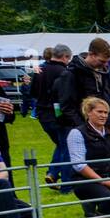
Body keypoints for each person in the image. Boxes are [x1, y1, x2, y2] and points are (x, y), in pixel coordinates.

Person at [57, 37, 110, 131]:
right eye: (102, 61)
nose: (105, 64)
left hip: (105, 129)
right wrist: (84, 128)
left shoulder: (105, 74)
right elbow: (67, 107)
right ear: (91, 54)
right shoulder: (72, 74)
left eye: (107, 61)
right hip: (82, 129)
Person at [33, 45, 73, 188]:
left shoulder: (40, 71)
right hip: (58, 115)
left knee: (61, 145)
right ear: (65, 57)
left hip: (42, 115)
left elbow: (33, 93)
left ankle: (53, 173)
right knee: (66, 147)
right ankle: (67, 184)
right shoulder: (64, 72)